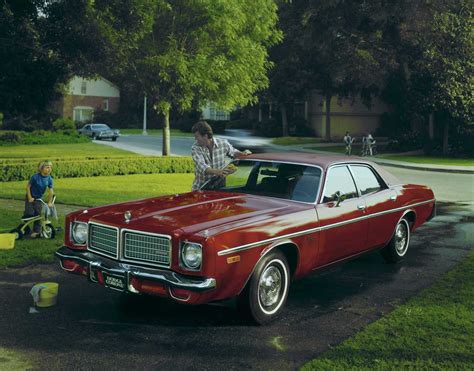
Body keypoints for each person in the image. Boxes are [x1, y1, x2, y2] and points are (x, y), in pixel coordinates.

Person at [191, 121, 251, 190]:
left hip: (219, 188)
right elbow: (202, 167)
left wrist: (242, 153)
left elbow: (234, 152)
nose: (195, 139)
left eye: (196, 137)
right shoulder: (195, 148)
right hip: (201, 188)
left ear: (205, 135)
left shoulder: (223, 143)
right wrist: (219, 172)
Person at [23, 160, 55, 238]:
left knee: (38, 215)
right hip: (30, 197)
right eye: (47, 167)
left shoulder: (49, 179)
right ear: (41, 168)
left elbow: (51, 191)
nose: (49, 169)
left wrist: (50, 202)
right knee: (29, 213)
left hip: (39, 199)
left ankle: (36, 231)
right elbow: (28, 187)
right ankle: (25, 228)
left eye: (50, 167)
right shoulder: (35, 177)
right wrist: (30, 197)